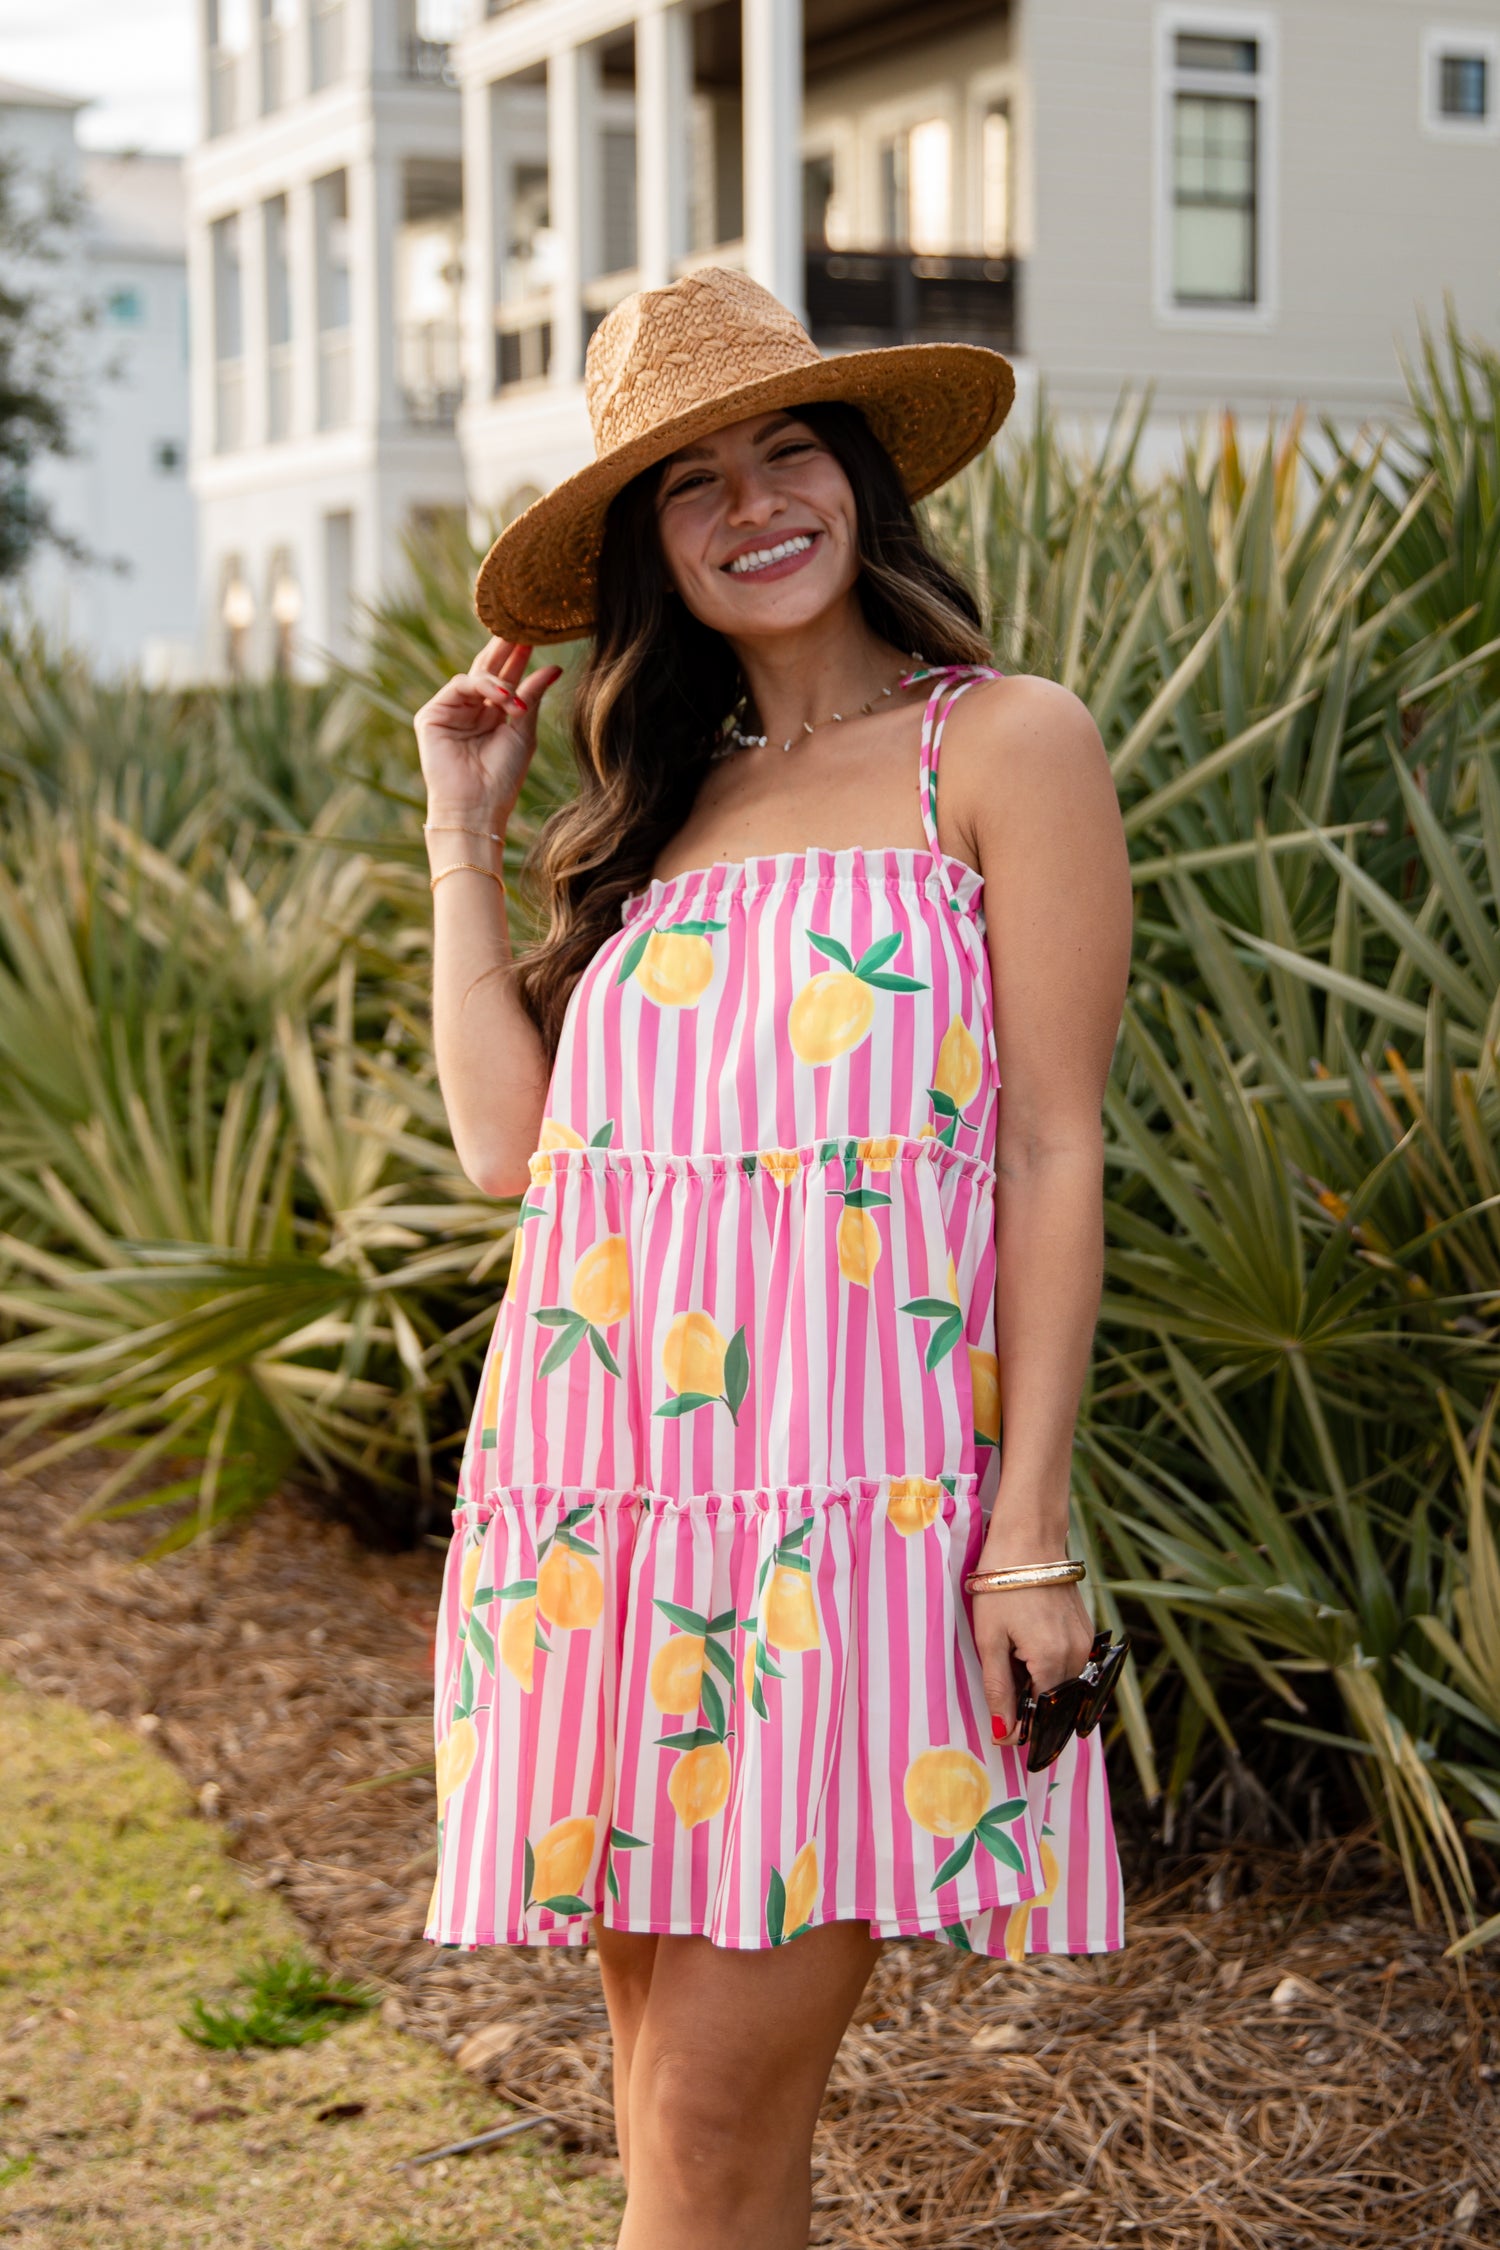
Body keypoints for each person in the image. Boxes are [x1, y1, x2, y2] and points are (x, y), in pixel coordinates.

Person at [413, 266, 1132, 2250]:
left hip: (861, 1536)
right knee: (672, 2124)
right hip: (612, 1522)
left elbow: (1060, 1148)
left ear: (860, 480)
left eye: (786, 447)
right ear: (650, 547)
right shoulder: (669, 807)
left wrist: (1030, 1532)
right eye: (691, 481)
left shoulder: (1000, 748)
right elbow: (505, 1148)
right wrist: (461, 828)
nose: (752, 505)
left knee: (714, 2130)